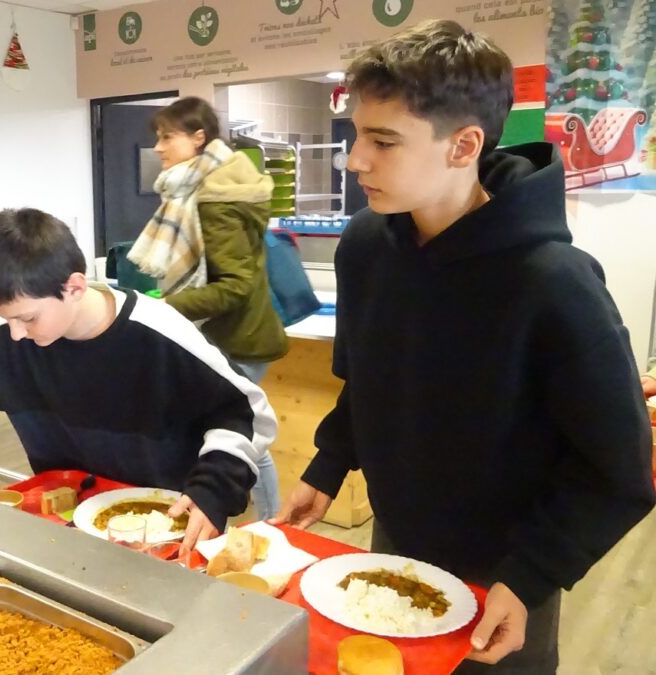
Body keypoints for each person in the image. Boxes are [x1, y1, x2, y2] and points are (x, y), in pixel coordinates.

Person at [271, 20, 655, 673]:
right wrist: (329, 464)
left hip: (506, 571)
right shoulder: (365, 245)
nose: (356, 160)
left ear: (464, 145)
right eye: (358, 135)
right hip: (393, 537)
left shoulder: (554, 282)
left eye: (383, 141)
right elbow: (369, 381)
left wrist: (531, 576)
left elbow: (618, 470)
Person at [0, 208, 277, 552]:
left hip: (169, 527)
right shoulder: (9, 340)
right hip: (69, 523)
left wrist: (213, 490)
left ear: (74, 287)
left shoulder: (160, 335)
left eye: (27, 318)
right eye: (6, 319)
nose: (16, 334)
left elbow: (244, 412)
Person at [129, 96, 288, 519]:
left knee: (244, 437)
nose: (158, 147)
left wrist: (165, 307)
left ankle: (270, 523)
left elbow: (235, 285)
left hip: (238, 338)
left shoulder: (215, 197)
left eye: (167, 137)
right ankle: (259, 518)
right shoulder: (195, 188)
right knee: (237, 434)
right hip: (229, 334)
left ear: (199, 137)